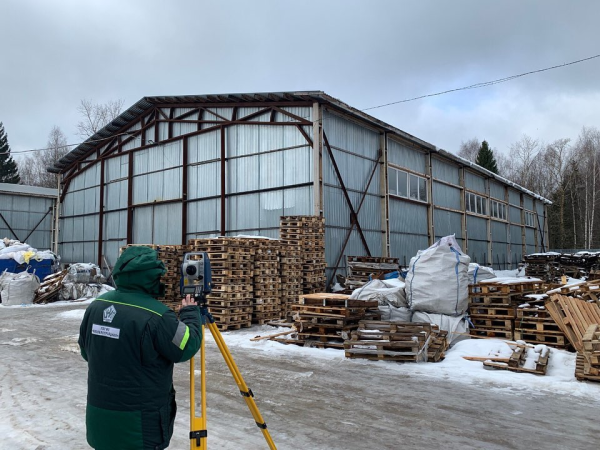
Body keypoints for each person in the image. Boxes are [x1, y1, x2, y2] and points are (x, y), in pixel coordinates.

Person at [78, 246, 202, 450]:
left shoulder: (96, 306)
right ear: (150, 278)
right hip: (140, 427)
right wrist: (190, 314)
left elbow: (86, 352)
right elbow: (186, 346)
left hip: (100, 420)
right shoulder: (158, 316)